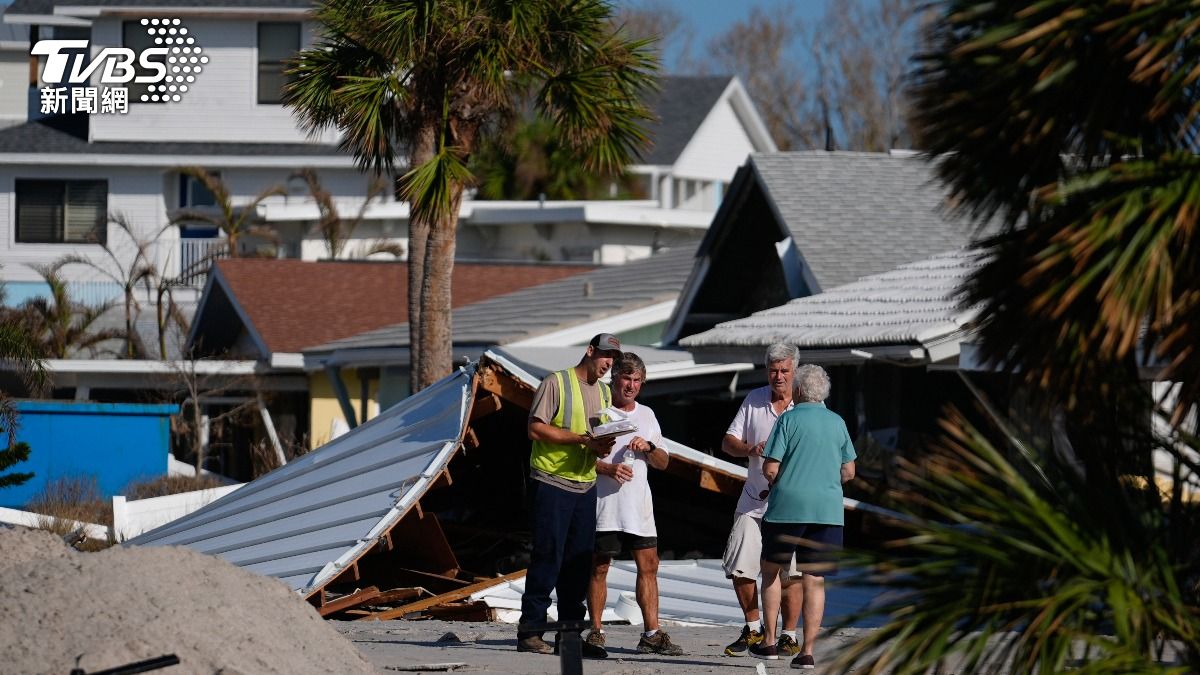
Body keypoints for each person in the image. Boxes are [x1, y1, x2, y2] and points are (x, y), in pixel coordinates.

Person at [517, 333, 622, 658]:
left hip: (585, 483)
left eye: (613, 359)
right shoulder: (556, 382)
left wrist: (605, 443)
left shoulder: (605, 391)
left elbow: (599, 435)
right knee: (548, 556)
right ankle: (531, 632)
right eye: (605, 356)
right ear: (590, 351)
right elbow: (535, 428)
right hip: (552, 482)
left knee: (578, 564)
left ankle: (570, 638)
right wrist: (581, 440)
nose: (608, 364)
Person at [750, 364, 856, 669]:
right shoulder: (838, 423)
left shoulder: (788, 419)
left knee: (771, 572)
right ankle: (807, 651)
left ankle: (769, 642)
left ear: (797, 390)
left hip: (787, 509)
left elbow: (770, 468)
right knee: (815, 578)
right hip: (827, 511)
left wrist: (778, 479)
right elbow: (849, 471)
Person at [585, 353, 685, 657]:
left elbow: (664, 462)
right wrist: (607, 468)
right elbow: (579, 459)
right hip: (605, 505)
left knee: (649, 567)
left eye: (637, 380)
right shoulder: (597, 411)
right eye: (626, 378)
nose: (631, 385)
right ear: (614, 379)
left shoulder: (648, 415)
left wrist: (649, 447)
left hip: (638, 508)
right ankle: (596, 631)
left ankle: (651, 633)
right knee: (600, 567)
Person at [720, 343, 804, 658]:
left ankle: (789, 635)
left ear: (794, 371)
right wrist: (750, 449)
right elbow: (728, 442)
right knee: (740, 565)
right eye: (773, 370)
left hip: (793, 505)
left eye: (784, 370)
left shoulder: (806, 403)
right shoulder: (754, 399)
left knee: (791, 572)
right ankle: (753, 628)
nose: (778, 376)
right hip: (754, 499)